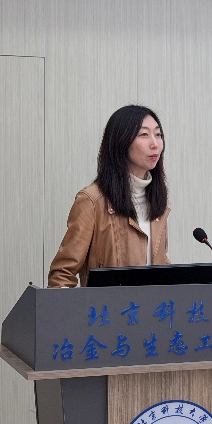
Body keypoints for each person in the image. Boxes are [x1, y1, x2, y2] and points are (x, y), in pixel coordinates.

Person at [48, 104, 169, 288]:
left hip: (151, 307)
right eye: (144, 134)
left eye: (158, 134)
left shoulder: (157, 203)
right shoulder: (91, 201)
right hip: (105, 307)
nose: (155, 144)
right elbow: (62, 274)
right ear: (121, 141)